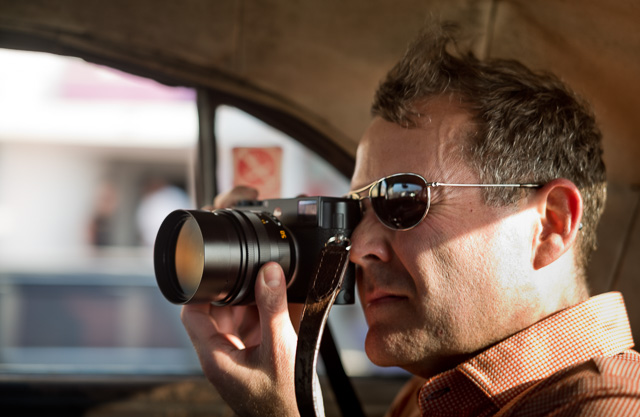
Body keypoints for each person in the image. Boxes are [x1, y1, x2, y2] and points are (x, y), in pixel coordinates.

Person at [181, 24, 640, 416]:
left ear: (551, 224)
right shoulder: (443, 392)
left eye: (401, 201)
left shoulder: (609, 405)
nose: (359, 249)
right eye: (358, 209)